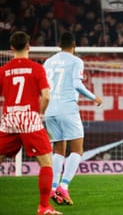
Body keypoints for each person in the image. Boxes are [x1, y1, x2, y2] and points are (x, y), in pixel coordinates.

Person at [0, 31, 62, 215]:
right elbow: (46, 96)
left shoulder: (3, 70)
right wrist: (40, 114)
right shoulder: (36, 68)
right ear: (29, 46)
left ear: (11, 48)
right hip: (29, 118)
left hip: (9, 118)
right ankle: (44, 207)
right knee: (46, 163)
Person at [43, 31, 103, 205]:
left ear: (59, 45)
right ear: (74, 45)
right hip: (67, 108)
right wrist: (94, 97)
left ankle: (53, 188)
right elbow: (76, 84)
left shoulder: (48, 61)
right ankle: (64, 186)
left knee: (58, 149)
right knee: (77, 149)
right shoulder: (76, 61)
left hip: (49, 110)